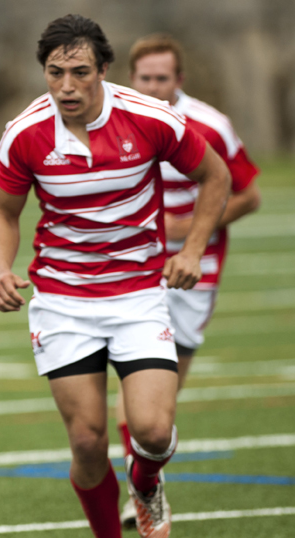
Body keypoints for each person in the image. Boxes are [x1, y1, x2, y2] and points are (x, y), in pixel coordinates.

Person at [0, 15, 230, 538]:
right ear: (43, 72)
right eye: (55, 73)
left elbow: (216, 176)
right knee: (88, 443)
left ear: (104, 70)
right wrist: (0, 268)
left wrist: (191, 250)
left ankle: (145, 482)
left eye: (79, 72)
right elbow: (4, 213)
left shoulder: (149, 117)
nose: (67, 86)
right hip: (63, 300)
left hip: (138, 295)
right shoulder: (25, 133)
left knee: (154, 431)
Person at [114, 33, 261, 529]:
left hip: (197, 272)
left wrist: (191, 231)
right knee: (132, 382)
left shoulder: (210, 125)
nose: (153, 87)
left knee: (163, 401)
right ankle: (138, 490)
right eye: (144, 78)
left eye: (162, 78)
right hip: (133, 266)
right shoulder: (114, 118)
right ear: (131, 78)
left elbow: (248, 196)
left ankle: (143, 475)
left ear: (179, 80)